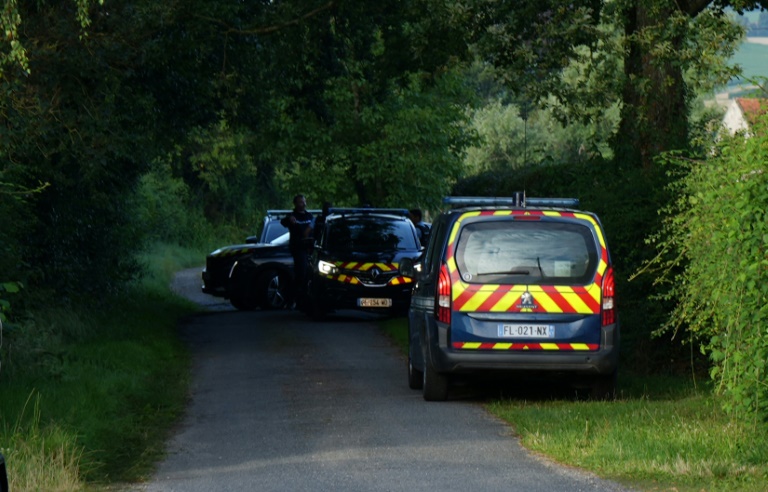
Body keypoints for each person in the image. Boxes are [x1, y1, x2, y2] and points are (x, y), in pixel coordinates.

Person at [281, 194, 314, 307]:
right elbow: (283, 222)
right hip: (298, 249)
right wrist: (289, 219)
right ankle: (291, 298)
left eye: (304, 202)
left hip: (310, 249)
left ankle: (305, 300)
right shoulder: (292, 216)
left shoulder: (309, 216)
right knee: (301, 274)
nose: (303, 204)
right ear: (295, 204)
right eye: (300, 202)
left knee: (310, 275)